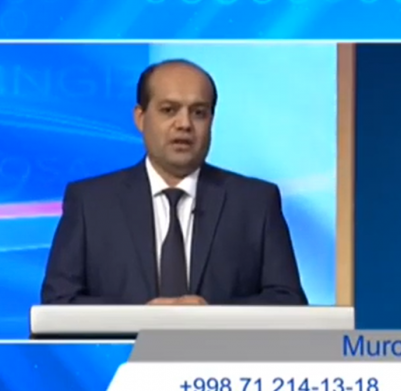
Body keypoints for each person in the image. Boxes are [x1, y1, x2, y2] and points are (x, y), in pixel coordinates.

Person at [40, 59, 308, 306]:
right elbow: (59, 302)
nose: (184, 124)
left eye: (199, 112)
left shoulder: (255, 202)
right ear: (140, 118)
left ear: (211, 121)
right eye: (169, 110)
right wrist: (137, 316)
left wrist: (213, 315)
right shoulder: (91, 203)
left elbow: (288, 301)